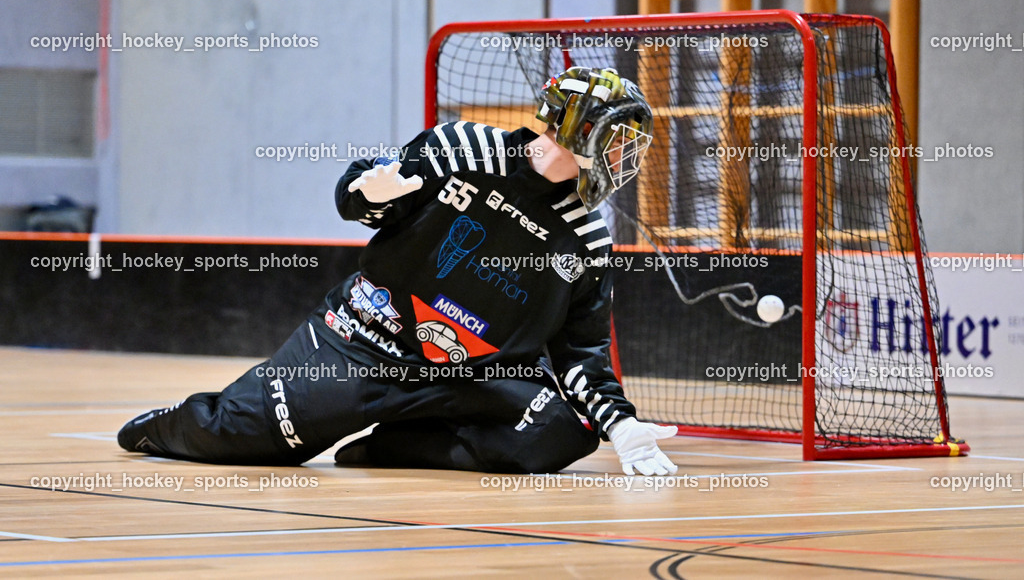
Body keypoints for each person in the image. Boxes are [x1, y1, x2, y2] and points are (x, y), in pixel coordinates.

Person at [118, 66, 678, 476]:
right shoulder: (461, 147)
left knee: (562, 432)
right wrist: (368, 192)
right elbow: (357, 200)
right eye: (615, 139)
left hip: (472, 377)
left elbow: (582, 353)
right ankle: (165, 425)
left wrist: (621, 424)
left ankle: (394, 447)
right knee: (246, 436)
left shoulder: (588, 240)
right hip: (363, 342)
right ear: (573, 127)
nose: (623, 157)